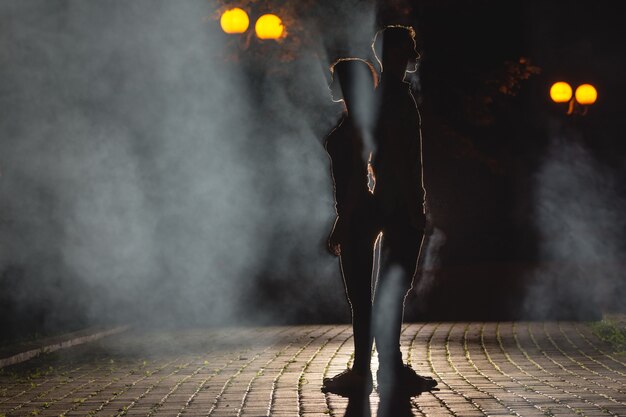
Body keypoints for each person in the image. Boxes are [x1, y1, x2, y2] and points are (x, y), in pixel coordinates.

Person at [370, 25, 436, 396]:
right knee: (394, 287)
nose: (414, 54)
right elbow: (399, 159)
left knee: (393, 287)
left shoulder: (388, 96)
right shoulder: (394, 98)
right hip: (399, 205)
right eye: (408, 48)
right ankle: (389, 366)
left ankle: (389, 363)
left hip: (393, 201)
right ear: (393, 53)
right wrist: (414, 207)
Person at [322, 58, 380, 397]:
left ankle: (361, 371)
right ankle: (361, 368)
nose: (329, 86)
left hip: (357, 214)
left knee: (360, 296)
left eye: (334, 80)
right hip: (358, 212)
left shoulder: (356, 124)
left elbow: (357, 180)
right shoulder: (355, 120)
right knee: (359, 296)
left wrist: (341, 224)